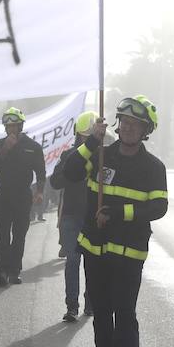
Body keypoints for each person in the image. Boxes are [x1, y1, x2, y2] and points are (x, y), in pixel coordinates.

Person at [56, 94, 168, 347]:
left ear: (146, 130)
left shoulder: (153, 167)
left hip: (129, 253)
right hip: (96, 249)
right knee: (102, 311)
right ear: (117, 124)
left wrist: (119, 213)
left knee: (125, 310)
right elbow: (70, 172)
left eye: (136, 124)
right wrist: (92, 141)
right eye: (125, 122)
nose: (128, 127)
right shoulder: (101, 155)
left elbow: (158, 207)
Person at [0, 107, 46, 285]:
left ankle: (14, 270)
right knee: (2, 235)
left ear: (20, 126)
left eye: (14, 126)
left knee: (19, 235)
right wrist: (5, 149)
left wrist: (40, 192)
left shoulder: (33, 147)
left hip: (22, 195)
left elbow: (41, 172)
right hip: (3, 195)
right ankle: (1, 271)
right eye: (8, 126)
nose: (11, 129)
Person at [52, 111, 98, 322]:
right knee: (72, 260)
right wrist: (72, 172)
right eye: (85, 136)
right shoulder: (68, 156)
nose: (88, 141)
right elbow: (55, 182)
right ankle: (72, 307)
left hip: (93, 218)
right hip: (71, 215)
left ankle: (91, 303)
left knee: (93, 263)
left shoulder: (104, 157)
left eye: (92, 137)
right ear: (78, 135)